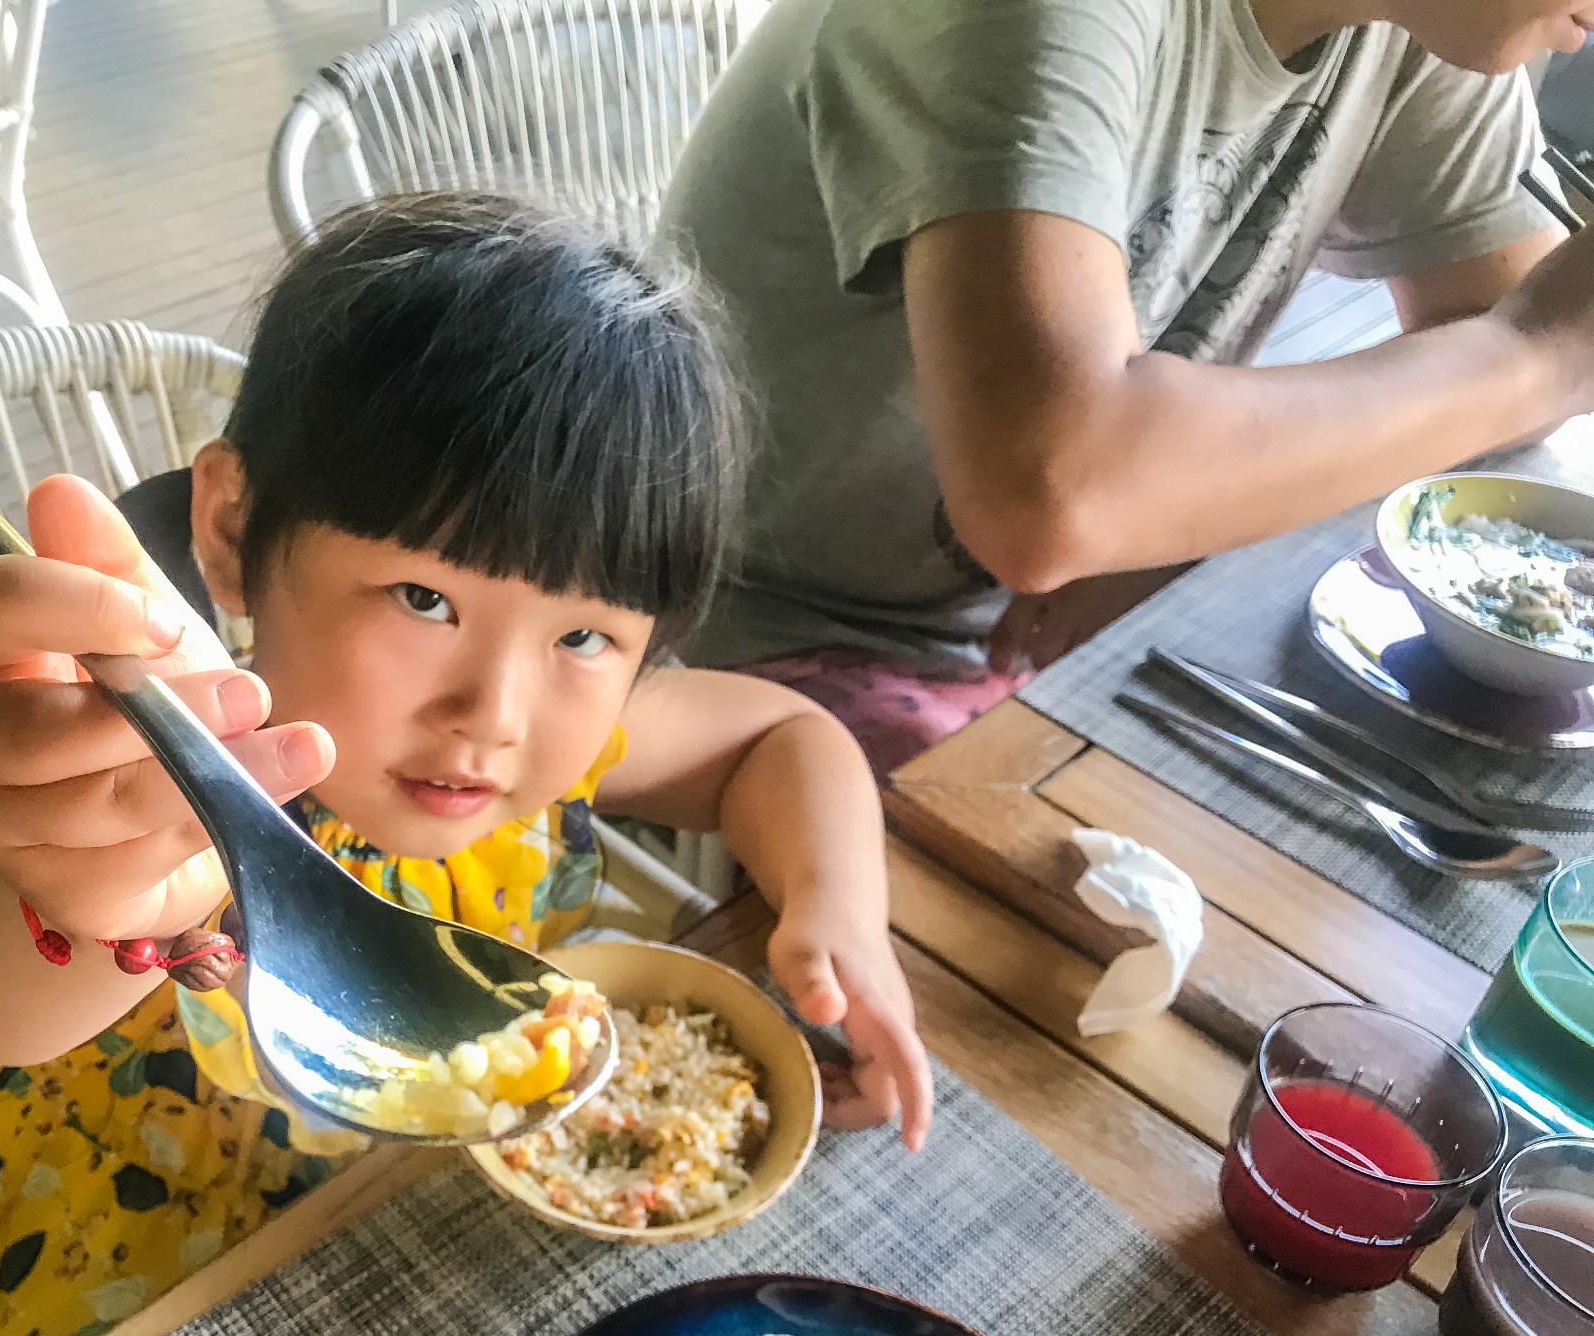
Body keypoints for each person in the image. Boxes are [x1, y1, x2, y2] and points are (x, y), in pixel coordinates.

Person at [0, 192, 931, 1336]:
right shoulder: (191, 792)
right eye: (423, 597)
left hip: (412, 1290)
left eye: (584, 634)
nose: (492, 712)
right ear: (230, 529)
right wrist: (65, 874)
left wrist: (837, 913)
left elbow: (786, 738)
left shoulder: (553, 747)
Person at [660, 0, 1594, 774]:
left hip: (1022, 634)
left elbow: (1490, 383)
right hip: (719, 638)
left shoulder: (1409, 21)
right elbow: (1048, 493)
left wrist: (1165, 522)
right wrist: (1534, 351)